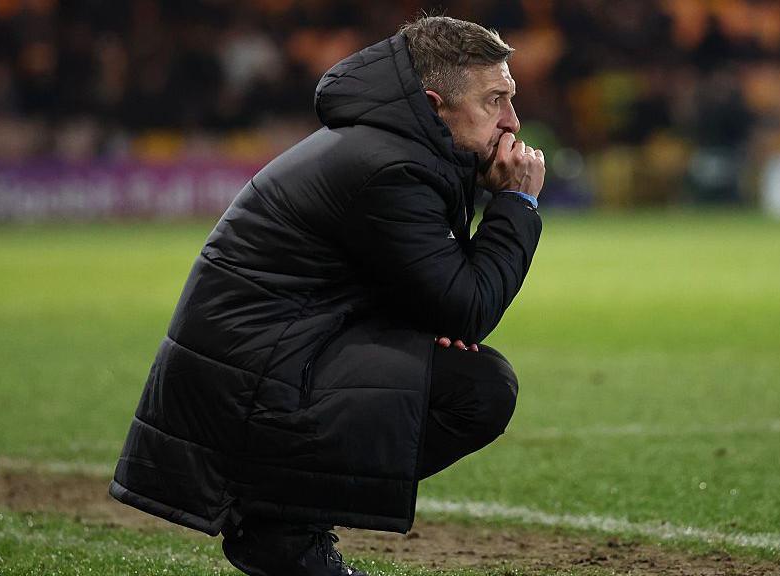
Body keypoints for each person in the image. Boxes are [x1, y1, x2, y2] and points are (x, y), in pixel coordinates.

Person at [109, 16, 544, 576]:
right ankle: (280, 528)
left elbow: (428, 296)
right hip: (247, 391)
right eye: (495, 101)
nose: (513, 121)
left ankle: (280, 521)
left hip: (263, 368)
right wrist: (515, 205)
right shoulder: (391, 169)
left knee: (456, 371)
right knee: (478, 390)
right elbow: (468, 308)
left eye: (511, 98)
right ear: (435, 105)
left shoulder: (390, 148)